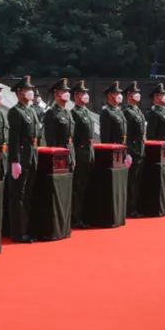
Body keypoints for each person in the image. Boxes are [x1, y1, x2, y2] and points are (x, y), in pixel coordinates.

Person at [7, 76, 42, 242]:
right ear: (19, 93)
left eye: (31, 90)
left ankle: (27, 228)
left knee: (28, 195)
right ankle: (18, 232)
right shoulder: (16, 112)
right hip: (21, 158)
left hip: (32, 156)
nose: (31, 92)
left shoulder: (31, 110)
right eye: (27, 90)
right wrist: (15, 160)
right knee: (18, 196)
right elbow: (14, 138)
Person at [70, 80, 95, 228]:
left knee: (85, 187)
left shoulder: (86, 111)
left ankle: (82, 216)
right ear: (76, 96)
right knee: (77, 188)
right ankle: (75, 217)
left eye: (86, 93)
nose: (86, 95)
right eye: (82, 93)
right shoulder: (74, 113)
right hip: (79, 153)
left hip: (88, 152)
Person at [122, 82, 147, 218]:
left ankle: (135, 207)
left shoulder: (137, 110)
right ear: (129, 96)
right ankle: (129, 209)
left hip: (140, 150)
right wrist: (128, 153)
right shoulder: (127, 112)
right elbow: (127, 135)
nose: (138, 95)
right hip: (133, 150)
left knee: (136, 182)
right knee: (131, 182)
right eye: (134, 93)